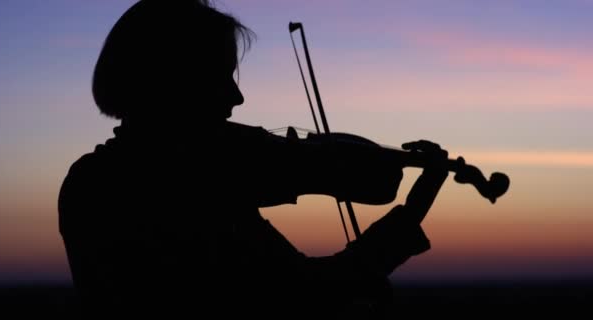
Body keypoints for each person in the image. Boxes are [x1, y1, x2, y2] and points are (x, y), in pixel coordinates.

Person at [58, 0, 449, 318]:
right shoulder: (199, 189)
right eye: (220, 76)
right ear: (173, 81)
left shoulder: (88, 181)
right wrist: (409, 217)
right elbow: (306, 294)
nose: (236, 97)